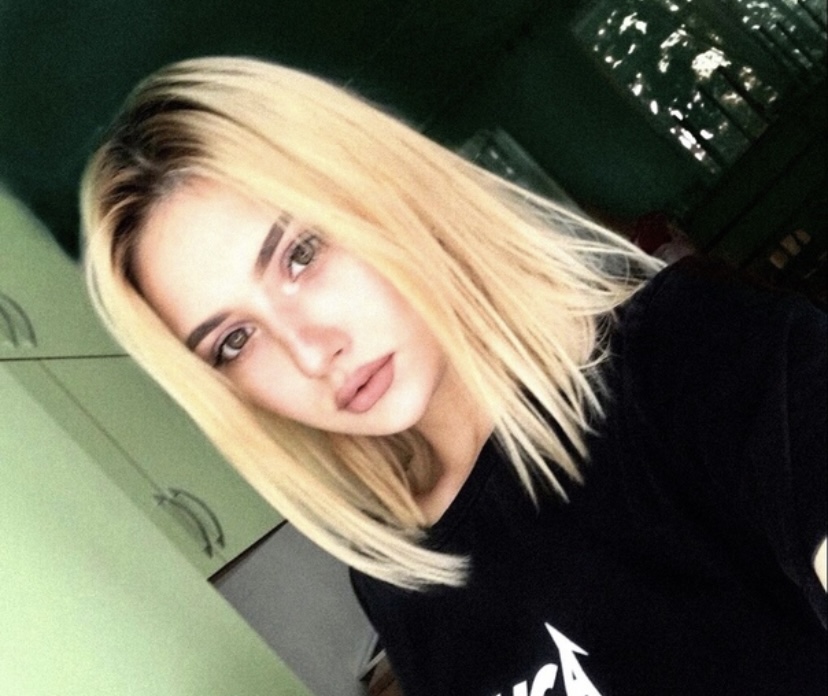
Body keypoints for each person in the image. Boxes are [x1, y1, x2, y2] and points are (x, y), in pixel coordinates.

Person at [80, 56, 826, 696]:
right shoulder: (396, 577)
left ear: (385, 190)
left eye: (301, 253)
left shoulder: (695, 358)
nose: (311, 353)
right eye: (235, 341)